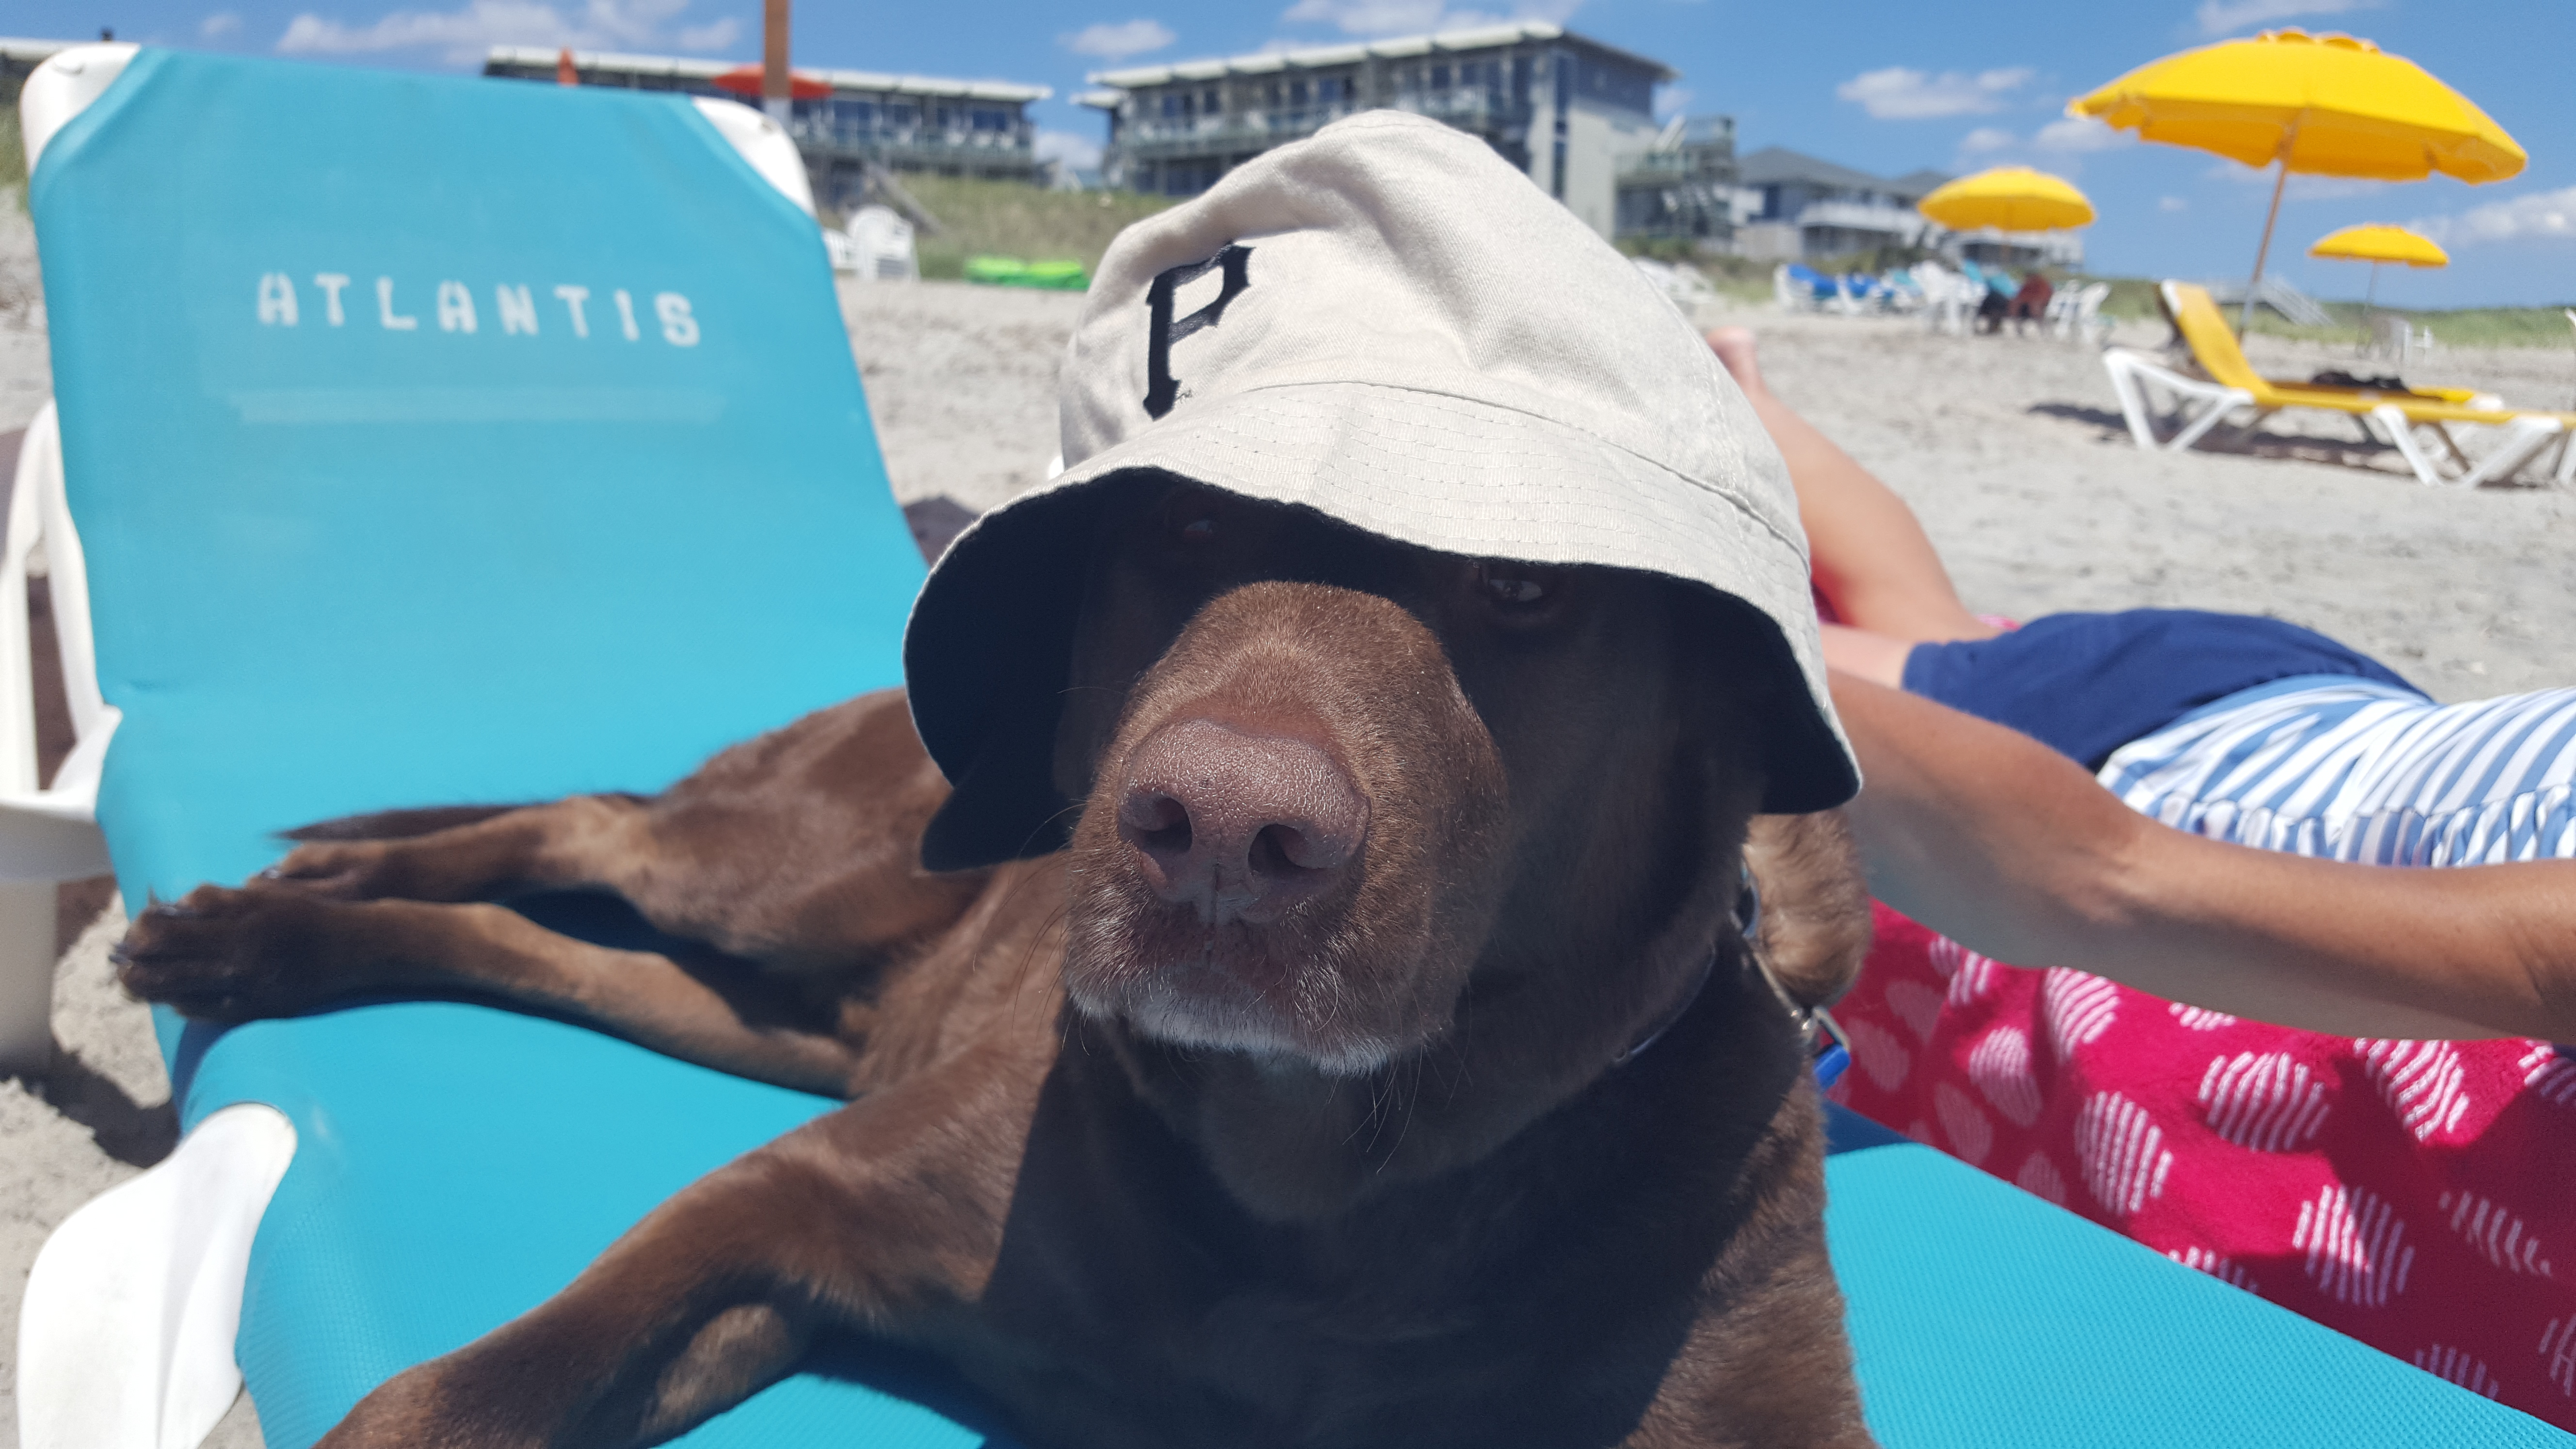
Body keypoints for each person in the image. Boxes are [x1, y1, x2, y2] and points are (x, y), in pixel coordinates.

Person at [1707, 325, 2576, 1426]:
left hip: (2323, 717)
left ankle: (1752, 400)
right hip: (2181, 734)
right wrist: (1673, 636)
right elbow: (2102, 878)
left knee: (1935, 637)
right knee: (1876, 653)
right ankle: (1742, 410)